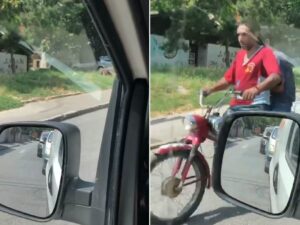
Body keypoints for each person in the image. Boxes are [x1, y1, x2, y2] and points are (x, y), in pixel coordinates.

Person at [204, 19, 282, 112]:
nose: (240, 38)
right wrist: (210, 90)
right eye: (238, 34)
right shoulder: (240, 55)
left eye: (244, 34)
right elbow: (228, 79)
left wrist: (256, 89)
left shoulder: (265, 53)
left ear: (255, 35)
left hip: (256, 106)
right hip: (236, 106)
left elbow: (276, 77)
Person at [264, 39, 296, 112]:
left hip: (279, 100)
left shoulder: (275, 57)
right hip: (284, 100)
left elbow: (279, 87)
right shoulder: (281, 56)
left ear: (267, 42)